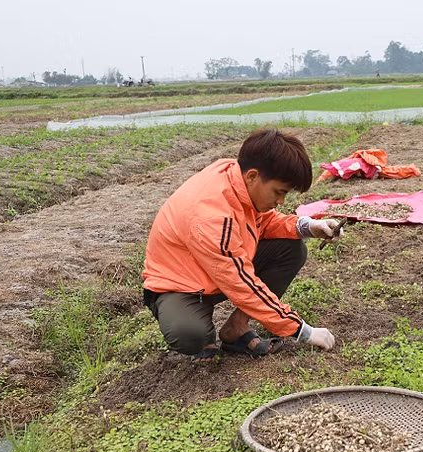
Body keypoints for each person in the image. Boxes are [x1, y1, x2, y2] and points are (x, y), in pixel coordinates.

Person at [142, 129, 342, 358]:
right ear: (253, 177)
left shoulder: (237, 176)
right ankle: (197, 331)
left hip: (217, 267)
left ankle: (236, 329)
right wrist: (301, 331)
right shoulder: (211, 215)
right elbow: (240, 284)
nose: (280, 201)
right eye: (279, 192)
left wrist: (308, 227)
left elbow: (262, 221)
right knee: (190, 334)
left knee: (291, 248)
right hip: (180, 284)